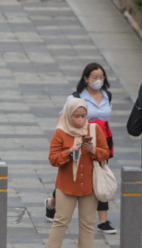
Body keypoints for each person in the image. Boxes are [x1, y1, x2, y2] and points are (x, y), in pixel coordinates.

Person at [46, 63, 116, 234]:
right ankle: (52, 202)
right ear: (86, 79)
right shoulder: (76, 98)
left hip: (100, 139)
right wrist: (66, 140)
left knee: (98, 173)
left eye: (101, 77)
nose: (98, 80)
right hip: (76, 140)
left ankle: (103, 220)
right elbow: (63, 120)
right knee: (71, 173)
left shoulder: (107, 95)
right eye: (94, 77)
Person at [46, 98, 109, 248]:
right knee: (61, 220)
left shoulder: (94, 130)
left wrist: (93, 150)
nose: (80, 120)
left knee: (88, 222)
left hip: (89, 185)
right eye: (76, 116)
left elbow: (106, 153)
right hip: (66, 185)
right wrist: (69, 151)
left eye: (83, 116)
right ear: (68, 115)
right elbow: (53, 159)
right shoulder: (60, 133)